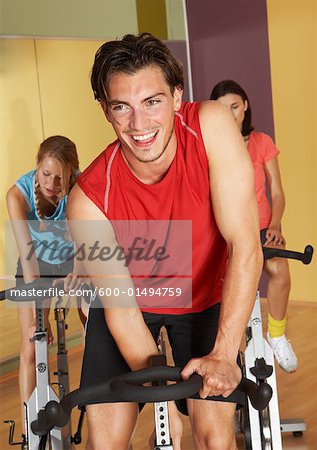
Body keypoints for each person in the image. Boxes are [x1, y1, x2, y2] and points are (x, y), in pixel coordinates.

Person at [67, 33, 263, 450]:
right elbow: (121, 313)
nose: (139, 125)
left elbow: (245, 246)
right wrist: (163, 403)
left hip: (205, 298)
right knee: (104, 442)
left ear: (176, 97)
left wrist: (226, 354)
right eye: (122, 107)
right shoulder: (87, 199)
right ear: (105, 110)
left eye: (152, 102)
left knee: (213, 436)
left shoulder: (210, 126)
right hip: (130, 308)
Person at [210, 79, 297, 373]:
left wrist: (275, 225)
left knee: (280, 271)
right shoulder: (212, 147)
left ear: (245, 106)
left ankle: (277, 334)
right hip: (227, 231)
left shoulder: (261, 143)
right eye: (223, 110)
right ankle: (229, 349)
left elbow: (278, 193)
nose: (231, 115)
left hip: (261, 227)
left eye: (235, 107)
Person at [6, 135, 83, 444]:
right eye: (45, 174)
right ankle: (30, 434)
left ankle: (96, 406)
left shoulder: (79, 187)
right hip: (35, 263)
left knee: (95, 324)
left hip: (73, 258)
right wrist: (42, 316)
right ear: (36, 166)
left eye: (59, 177)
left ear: (72, 174)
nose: (51, 183)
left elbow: (84, 242)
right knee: (31, 341)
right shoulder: (17, 195)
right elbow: (28, 259)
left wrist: (78, 273)